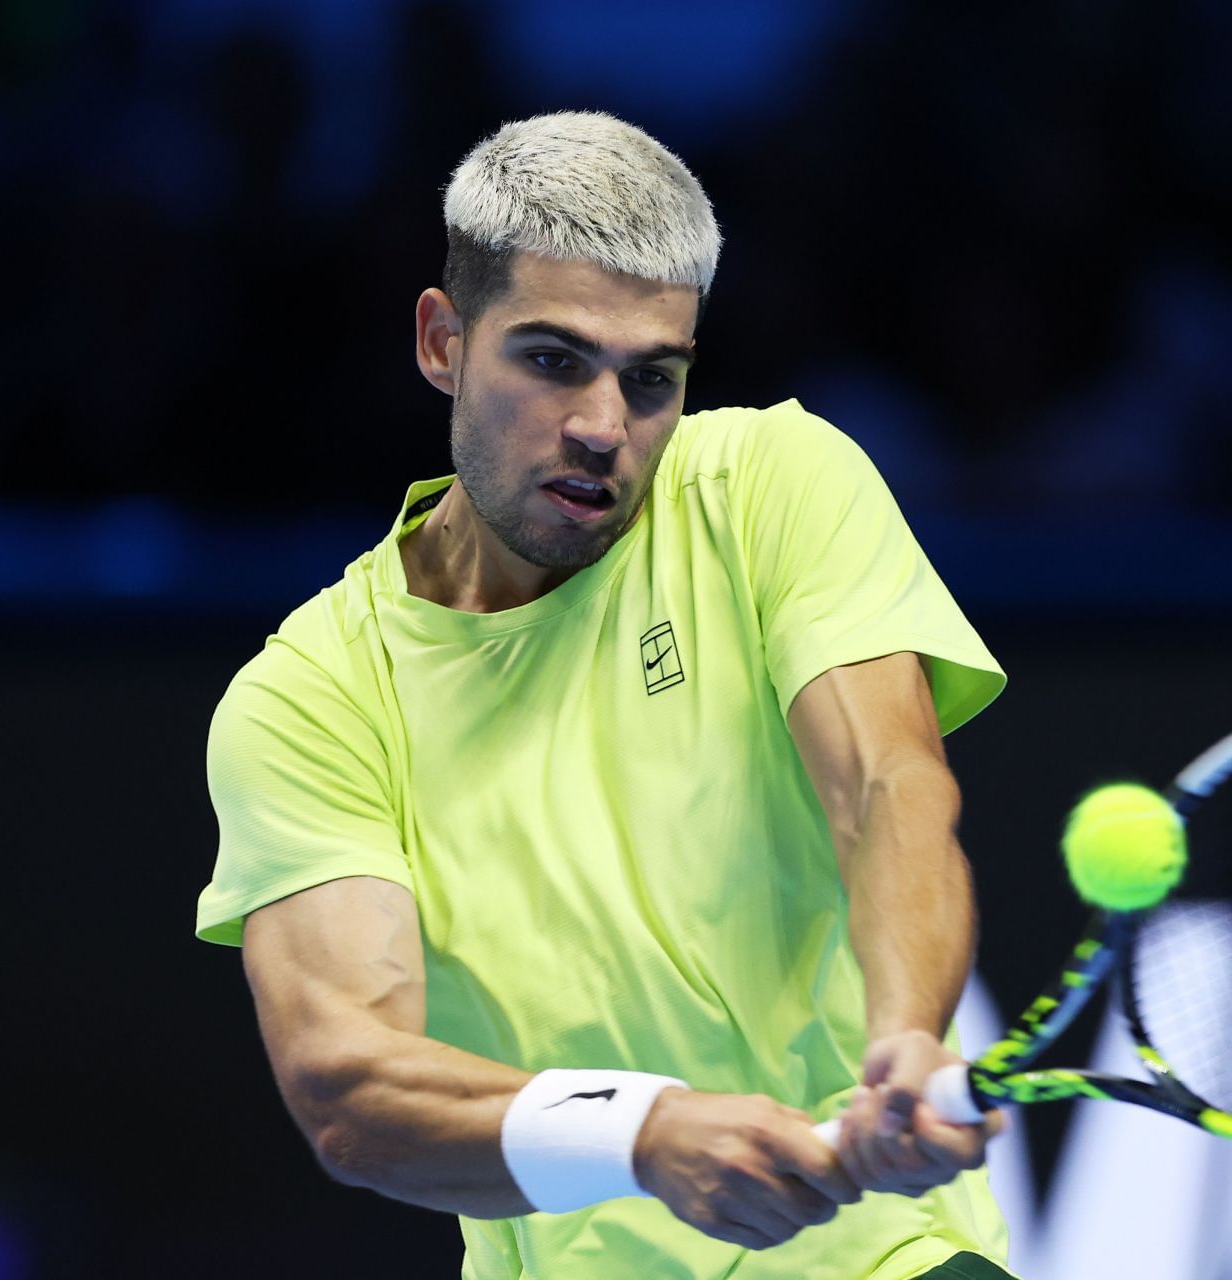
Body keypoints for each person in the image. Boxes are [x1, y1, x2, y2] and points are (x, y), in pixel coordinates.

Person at [194, 111, 1014, 1280]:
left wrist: (904, 1035)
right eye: (551, 357)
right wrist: (643, 1131)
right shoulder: (312, 696)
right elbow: (350, 1080)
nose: (601, 428)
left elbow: (888, 783)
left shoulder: (771, 484)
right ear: (442, 340)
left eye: (651, 379)